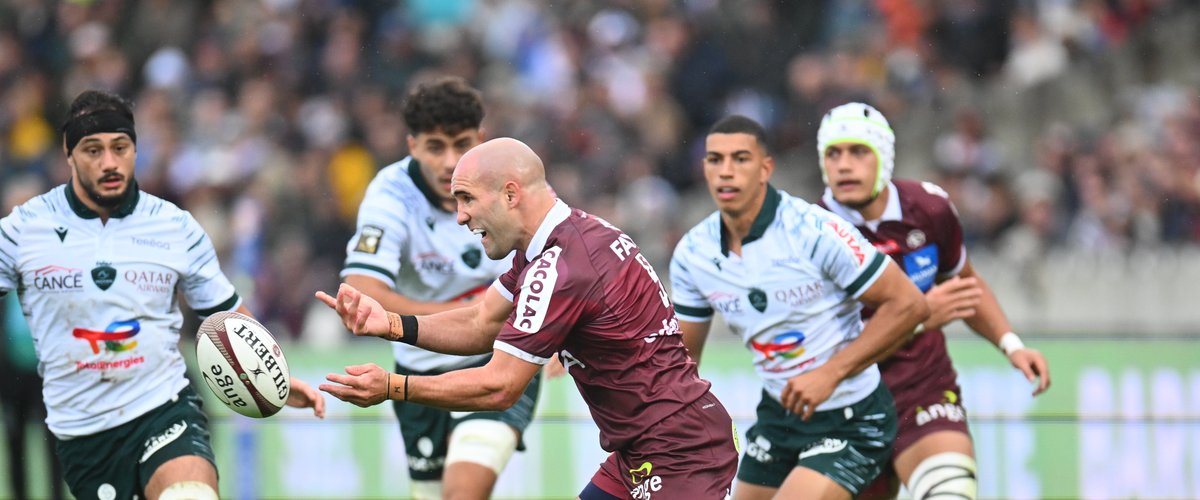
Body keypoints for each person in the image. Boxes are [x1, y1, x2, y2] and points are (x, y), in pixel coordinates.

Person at [317, 137, 740, 500]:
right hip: (644, 452)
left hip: (681, 453)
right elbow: (482, 323)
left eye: (466, 198)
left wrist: (392, 387)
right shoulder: (559, 241)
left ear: (510, 194)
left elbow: (499, 386)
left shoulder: (560, 266)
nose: (460, 215)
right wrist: (391, 323)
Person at [0, 90, 326, 500]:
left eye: (120, 147)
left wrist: (273, 376)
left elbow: (224, 311)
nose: (109, 162)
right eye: (92, 150)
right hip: (84, 432)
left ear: (136, 148)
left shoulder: (174, 226)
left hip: (165, 407)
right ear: (69, 153)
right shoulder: (24, 229)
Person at [668, 115, 930, 500]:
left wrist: (830, 373)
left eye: (740, 159)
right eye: (714, 160)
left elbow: (909, 305)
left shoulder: (815, 231)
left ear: (765, 168)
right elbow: (682, 362)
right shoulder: (693, 253)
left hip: (852, 418)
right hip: (778, 418)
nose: (726, 172)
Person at [813, 102, 1052, 499]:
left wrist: (1011, 344)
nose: (843, 165)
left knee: (950, 492)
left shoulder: (930, 209)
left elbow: (965, 285)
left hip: (923, 390)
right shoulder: (810, 234)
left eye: (857, 152)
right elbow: (824, 350)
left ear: (884, 157)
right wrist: (919, 317)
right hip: (846, 404)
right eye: (833, 154)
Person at [339, 76, 544, 500]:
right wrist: (467, 315)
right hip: (419, 367)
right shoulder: (390, 195)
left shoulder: (511, 187)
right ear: (412, 145)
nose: (451, 162)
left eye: (463, 144)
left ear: (482, 138)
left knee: (462, 494)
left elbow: (552, 266)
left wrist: (551, 332)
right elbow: (362, 290)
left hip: (497, 359)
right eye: (436, 147)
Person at [0, 175, 65, 500]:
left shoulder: (55, 255)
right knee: (14, 444)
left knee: (56, 445)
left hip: (50, 370)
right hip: (10, 372)